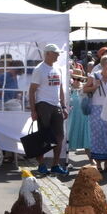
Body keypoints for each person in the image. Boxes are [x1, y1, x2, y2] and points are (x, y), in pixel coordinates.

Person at [29, 43, 69, 176]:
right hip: (43, 105)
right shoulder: (39, 69)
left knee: (59, 136)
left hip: (56, 105)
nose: (58, 55)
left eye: (58, 53)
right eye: (55, 53)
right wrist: (33, 110)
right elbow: (32, 91)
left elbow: (61, 89)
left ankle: (55, 165)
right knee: (43, 136)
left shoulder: (58, 68)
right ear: (47, 54)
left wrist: (63, 106)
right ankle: (41, 164)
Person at [82, 48, 107, 174]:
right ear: (104, 65)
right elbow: (84, 89)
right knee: (98, 135)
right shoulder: (95, 76)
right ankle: (98, 164)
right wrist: (95, 86)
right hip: (96, 108)